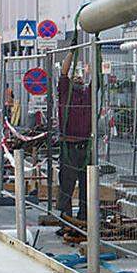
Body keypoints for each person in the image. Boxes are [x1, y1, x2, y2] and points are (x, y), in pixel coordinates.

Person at [58, 52, 92, 224]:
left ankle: (84, 218)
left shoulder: (88, 94)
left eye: (81, 77)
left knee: (87, 184)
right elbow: (64, 73)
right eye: (76, 77)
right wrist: (72, 51)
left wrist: (95, 51)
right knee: (67, 184)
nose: (78, 79)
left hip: (86, 147)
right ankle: (66, 218)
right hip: (69, 146)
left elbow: (98, 77)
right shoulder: (65, 92)